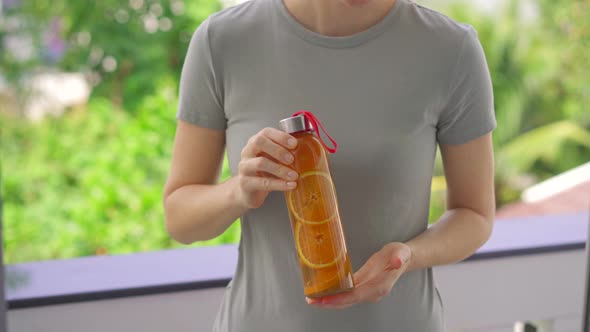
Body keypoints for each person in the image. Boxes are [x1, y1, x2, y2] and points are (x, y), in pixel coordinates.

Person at [162, 0, 496, 330]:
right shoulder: (222, 41)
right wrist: (239, 190)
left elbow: (475, 214)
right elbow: (180, 219)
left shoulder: (450, 49)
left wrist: (408, 256)